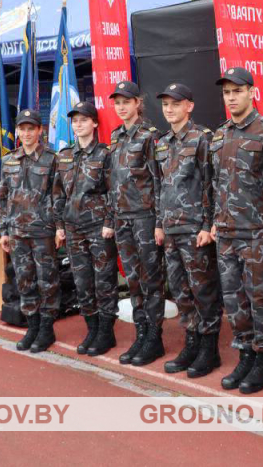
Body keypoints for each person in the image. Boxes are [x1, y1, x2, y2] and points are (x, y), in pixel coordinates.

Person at [210, 67, 263, 394]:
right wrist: (215, 219)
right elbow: (215, 183)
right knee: (234, 300)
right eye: (227, 92)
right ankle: (245, 355)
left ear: (252, 92)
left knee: (260, 299)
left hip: (257, 233)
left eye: (237, 91)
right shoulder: (220, 134)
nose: (231, 97)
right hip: (226, 233)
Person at [153, 82, 223, 378]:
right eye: (165, 104)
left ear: (189, 106)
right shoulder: (162, 142)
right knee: (181, 290)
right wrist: (159, 223)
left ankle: (209, 349)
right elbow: (160, 186)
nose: (169, 109)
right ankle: (191, 343)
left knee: (203, 290)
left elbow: (211, 183)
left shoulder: (202, 138)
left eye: (175, 103)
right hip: (171, 229)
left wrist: (208, 225)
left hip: (195, 230)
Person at [104, 81, 165, 367]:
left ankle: (154, 336)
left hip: (144, 217)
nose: (121, 107)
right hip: (122, 218)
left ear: (138, 103)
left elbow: (159, 180)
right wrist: (111, 217)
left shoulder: (149, 136)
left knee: (150, 278)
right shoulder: (115, 136)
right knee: (132, 278)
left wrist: (159, 221)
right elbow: (112, 182)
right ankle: (141, 332)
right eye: (117, 102)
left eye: (126, 101)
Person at [52, 101, 117, 357]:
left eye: (83, 120)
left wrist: (110, 222)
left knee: (104, 280)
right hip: (73, 228)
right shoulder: (65, 155)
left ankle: (106, 331)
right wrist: (59, 225)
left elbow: (114, 191)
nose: (78, 125)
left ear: (95, 123)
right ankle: (92, 328)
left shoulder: (105, 154)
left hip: (98, 228)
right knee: (82, 281)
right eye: (75, 121)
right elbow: (58, 194)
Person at [0, 109, 60, 353]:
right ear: (17, 131)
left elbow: (58, 196)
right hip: (17, 232)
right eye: (22, 129)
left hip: (43, 231)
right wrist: (4, 230)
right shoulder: (9, 161)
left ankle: (47, 329)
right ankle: (32, 326)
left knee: (47, 281)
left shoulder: (52, 159)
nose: (26, 134)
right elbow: (3, 198)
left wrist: (59, 228)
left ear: (40, 130)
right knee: (24, 280)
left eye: (31, 129)